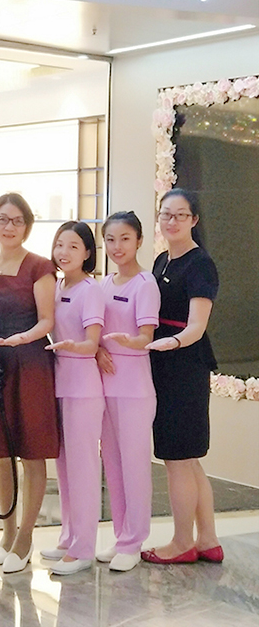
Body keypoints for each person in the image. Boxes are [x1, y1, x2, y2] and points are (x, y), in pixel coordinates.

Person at [142, 188, 222, 564]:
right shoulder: (162, 261)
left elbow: (196, 327)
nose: (171, 221)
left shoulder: (200, 264)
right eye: (165, 214)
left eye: (180, 215)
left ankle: (181, 542)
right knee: (189, 460)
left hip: (184, 367)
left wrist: (169, 343)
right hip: (164, 363)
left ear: (194, 220)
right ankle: (207, 540)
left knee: (178, 459)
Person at [0, 193, 58, 574]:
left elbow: (47, 320)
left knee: (31, 451)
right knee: (1, 452)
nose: (8, 227)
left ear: (27, 225)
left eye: (16, 220)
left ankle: (26, 536)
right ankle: (6, 533)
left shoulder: (40, 266)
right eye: (2, 219)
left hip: (30, 363)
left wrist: (23, 339)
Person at [94, 211, 160, 572]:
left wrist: (123, 341)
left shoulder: (145, 284)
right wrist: (99, 350)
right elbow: (94, 333)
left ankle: (134, 541)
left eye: (124, 239)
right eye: (110, 239)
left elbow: (146, 337)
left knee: (135, 465)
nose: (116, 246)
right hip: (104, 383)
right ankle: (121, 536)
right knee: (113, 463)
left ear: (138, 241)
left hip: (134, 386)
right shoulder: (104, 284)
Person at [43, 221, 104, 576]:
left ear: (87, 253)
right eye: (59, 245)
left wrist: (70, 346)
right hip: (60, 382)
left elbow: (92, 344)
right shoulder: (57, 285)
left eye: (73, 246)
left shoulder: (90, 290)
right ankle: (68, 537)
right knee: (64, 467)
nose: (63, 252)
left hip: (83, 386)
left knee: (83, 468)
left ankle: (84, 548)